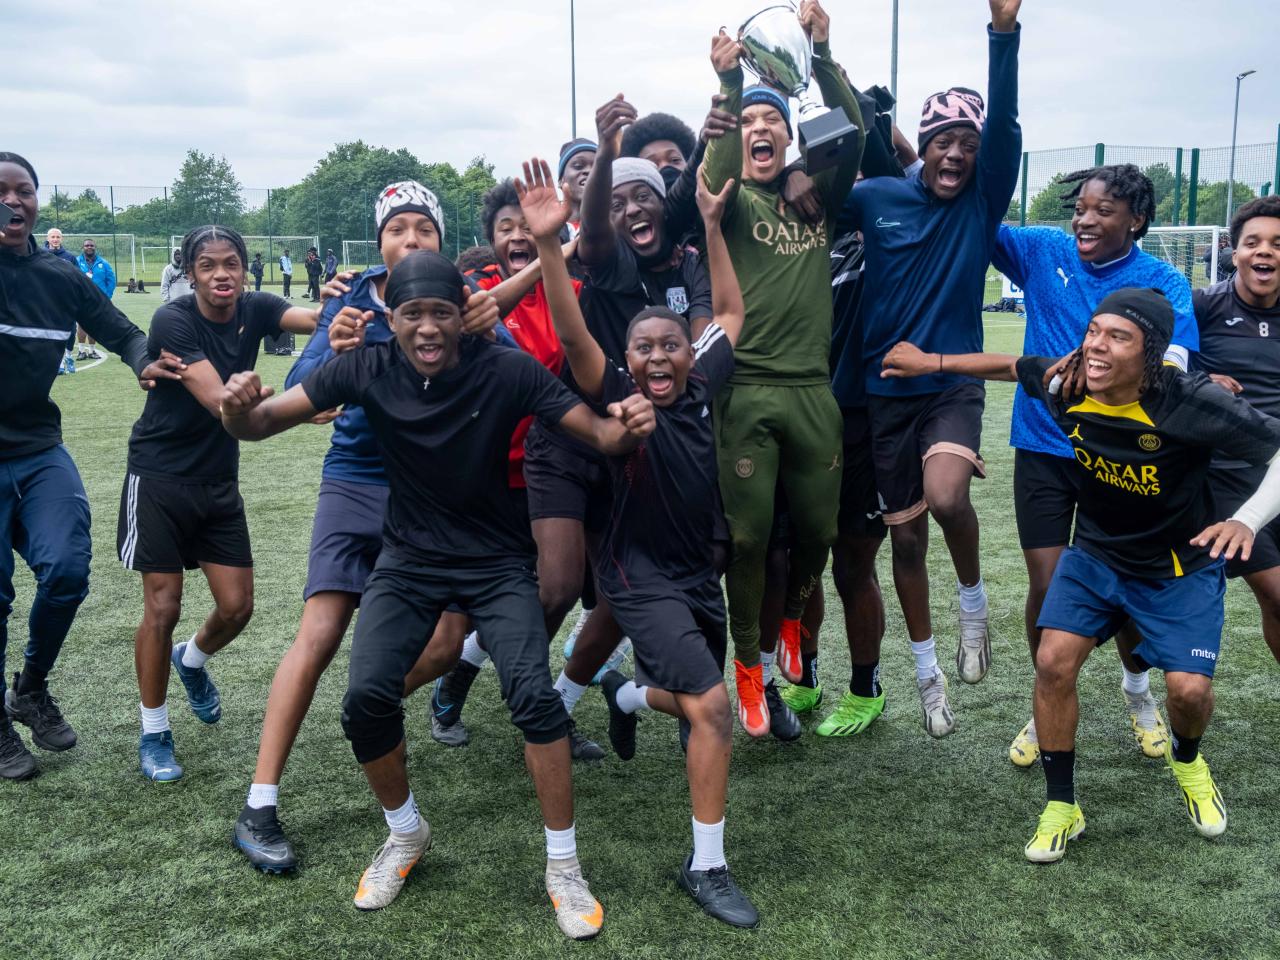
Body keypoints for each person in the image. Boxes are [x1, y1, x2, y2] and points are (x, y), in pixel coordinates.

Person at [218, 249, 656, 937]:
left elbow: (599, 434)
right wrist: (235, 412)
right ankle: (405, 834)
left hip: (495, 561)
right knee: (364, 701)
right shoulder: (366, 365)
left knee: (532, 697)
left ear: (465, 316)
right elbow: (263, 422)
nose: (427, 328)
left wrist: (628, 425)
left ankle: (564, 867)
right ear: (390, 319)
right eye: (413, 314)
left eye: (442, 313)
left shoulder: (506, 370)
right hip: (409, 561)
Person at [881, 287, 1280, 861]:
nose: (1095, 345)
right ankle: (1062, 806)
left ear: (1151, 354)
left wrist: (1245, 520)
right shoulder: (1066, 383)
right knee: (1052, 660)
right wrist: (929, 363)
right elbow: (1009, 366)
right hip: (1095, 555)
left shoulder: (1190, 402)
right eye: (1095, 330)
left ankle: (1189, 763)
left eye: (1118, 337)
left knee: (1189, 692)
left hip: (1176, 568)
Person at [233, 181, 503, 870]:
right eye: (397, 229)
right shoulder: (352, 301)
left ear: (440, 239)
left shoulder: (466, 302)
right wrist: (341, 349)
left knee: (447, 642)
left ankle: (371, 706)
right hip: (357, 481)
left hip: (437, 495)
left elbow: (499, 377)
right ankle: (259, 803)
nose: (410, 240)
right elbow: (311, 402)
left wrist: (482, 327)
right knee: (319, 632)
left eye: (423, 229)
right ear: (377, 240)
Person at [520, 156, 759, 926]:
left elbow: (731, 309)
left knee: (695, 707)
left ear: (692, 352)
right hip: (635, 573)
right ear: (625, 363)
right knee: (715, 709)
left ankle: (622, 693)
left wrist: (715, 228)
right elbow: (571, 332)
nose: (658, 358)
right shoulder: (619, 400)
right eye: (644, 350)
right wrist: (552, 248)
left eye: (671, 346)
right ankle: (708, 866)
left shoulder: (702, 382)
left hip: (697, 572)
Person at [834, 0, 1022, 737]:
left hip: (950, 387)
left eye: (965, 144)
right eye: (942, 140)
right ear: (924, 145)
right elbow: (819, 185)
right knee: (904, 541)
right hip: (884, 397)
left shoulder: (980, 204)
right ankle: (925, 670)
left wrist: (1002, 35)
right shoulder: (876, 197)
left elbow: (1003, 124)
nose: (953, 154)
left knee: (948, 500)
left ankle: (973, 611)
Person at [992, 164, 1199, 766]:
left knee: (1126, 583)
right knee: (1049, 586)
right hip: (1044, 447)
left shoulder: (1161, 280)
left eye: (1103, 210)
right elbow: (967, 211)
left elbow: (1179, 358)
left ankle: (1139, 693)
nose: (1084, 218)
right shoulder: (1042, 248)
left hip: (1122, 456)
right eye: (1080, 207)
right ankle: (1045, 704)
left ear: (1135, 220)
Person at [701, 0, 865, 735]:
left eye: (772, 122)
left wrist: (823, 53)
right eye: (749, 126)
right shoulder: (728, 201)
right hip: (746, 392)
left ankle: (794, 624)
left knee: (819, 535)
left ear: (789, 136)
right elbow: (711, 173)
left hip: (812, 390)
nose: (759, 131)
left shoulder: (817, 200)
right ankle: (747, 666)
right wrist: (733, 87)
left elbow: (853, 133)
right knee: (746, 539)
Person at [118, 225, 320, 783]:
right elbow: (218, 402)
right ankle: (154, 730)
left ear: (244, 267)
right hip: (158, 477)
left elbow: (314, 319)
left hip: (216, 482)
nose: (221, 274)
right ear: (190, 272)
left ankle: (193, 660)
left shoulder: (256, 307)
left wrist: (352, 301)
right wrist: (304, 401)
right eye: (208, 265)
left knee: (237, 609)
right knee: (162, 608)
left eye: (230, 263)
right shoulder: (173, 321)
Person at [0, 152, 176, 781]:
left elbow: (119, 329)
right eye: (1, 192)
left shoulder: (58, 274)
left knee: (69, 570)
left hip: (37, 449)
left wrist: (142, 360)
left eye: (24, 191)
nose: (12, 202)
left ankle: (30, 689)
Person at [430, 179, 610, 757]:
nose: (518, 237)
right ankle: (462, 678)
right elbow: (473, 318)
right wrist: (550, 248)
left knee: (564, 592)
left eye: (525, 227)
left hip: (557, 467)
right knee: (513, 600)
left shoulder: (575, 289)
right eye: (506, 229)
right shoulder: (482, 288)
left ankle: (538, 702)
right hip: (488, 477)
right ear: (490, 240)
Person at [1197, 196, 1280, 666]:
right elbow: (1162, 370)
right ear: (1235, 252)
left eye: (1277, 243)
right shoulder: (1204, 306)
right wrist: (1198, 381)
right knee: (1275, 591)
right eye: (1254, 242)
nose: (1264, 252)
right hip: (1224, 477)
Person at [44, 228, 79, 374]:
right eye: (53, 237)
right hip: (46, 300)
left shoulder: (69, 257)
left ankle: (69, 356)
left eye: (58, 237)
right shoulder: (40, 254)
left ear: (61, 239)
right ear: (48, 238)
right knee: (50, 331)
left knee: (70, 330)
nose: (55, 239)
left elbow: (78, 277)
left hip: (66, 300)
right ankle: (57, 362)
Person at [75, 238, 115, 360]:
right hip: (81, 299)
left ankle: (92, 351)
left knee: (94, 325)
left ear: (95, 247)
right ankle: (81, 351)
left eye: (91, 245)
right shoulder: (76, 262)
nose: (89, 247)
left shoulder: (104, 263)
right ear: (83, 247)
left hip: (99, 300)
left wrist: (106, 296)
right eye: (87, 245)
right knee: (81, 325)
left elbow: (111, 280)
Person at [557, 138, 596, 238]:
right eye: (578, 166)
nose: (589, 171)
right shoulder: (547, 228)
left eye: (597, 167)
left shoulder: (616, 226)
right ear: (561, 180)